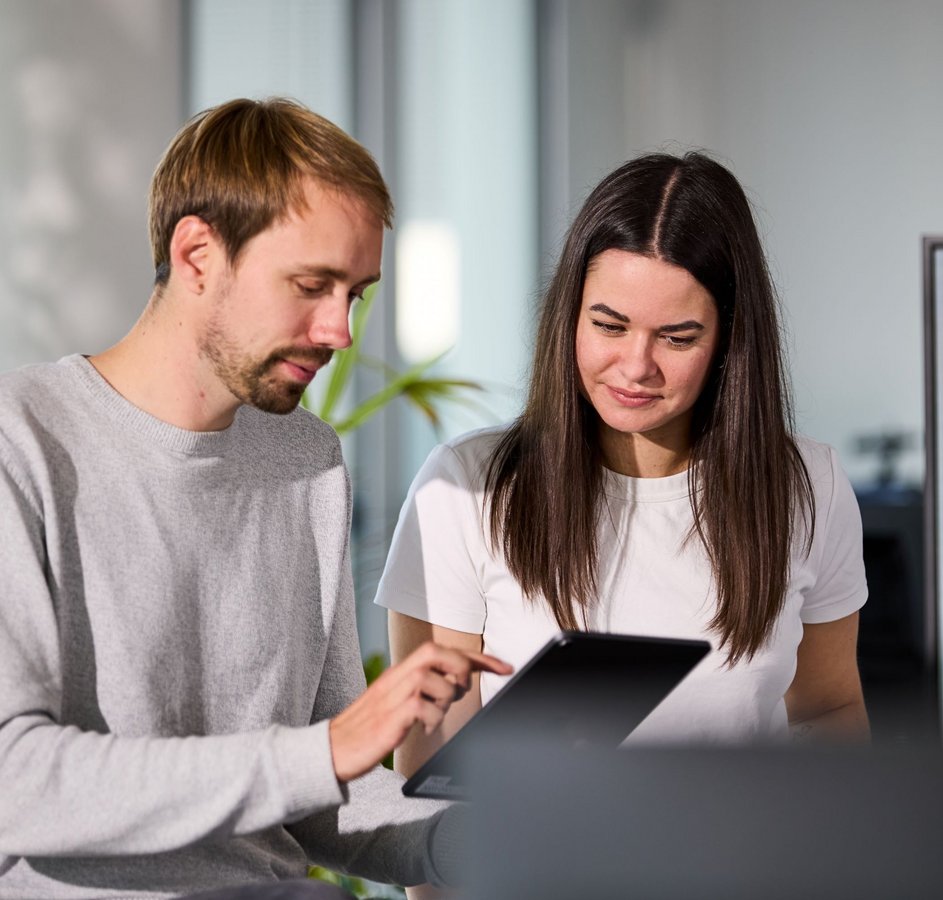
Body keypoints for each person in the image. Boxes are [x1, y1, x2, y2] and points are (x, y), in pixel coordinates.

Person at [0, 97, 511, 899]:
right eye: (313, 285)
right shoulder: (20, 443)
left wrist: (501, 841)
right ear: (198, 253)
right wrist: (320, 753)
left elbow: (319, 797)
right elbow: (14, 783)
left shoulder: (305, 460)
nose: (340, 330)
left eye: (357, 294)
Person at [377, 151, 868, 783]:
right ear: (569, 318)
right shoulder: (466, 488)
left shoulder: (809, 487)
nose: (636, 367)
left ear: (729, 341)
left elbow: (830, 708)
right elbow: (431, 769)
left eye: (677, 337)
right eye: (609, 325)